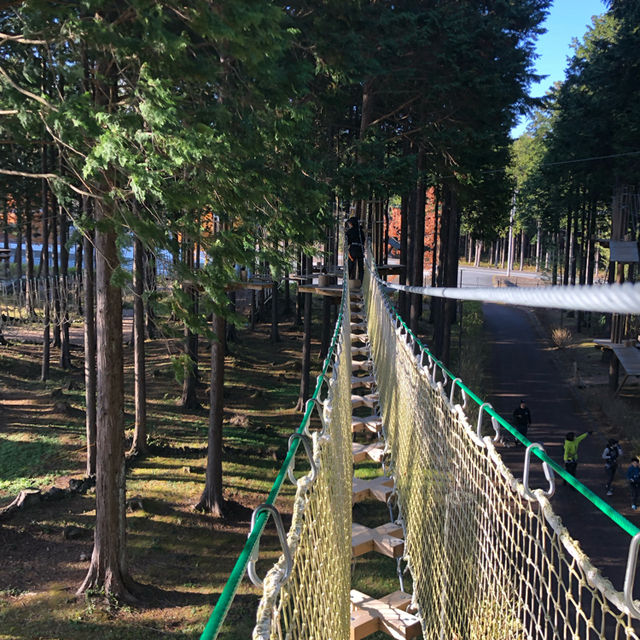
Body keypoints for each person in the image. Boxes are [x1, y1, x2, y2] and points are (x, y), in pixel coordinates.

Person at [346, 217, 365, 283]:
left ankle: (347, 281)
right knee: (361, 268)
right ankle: (361, 282)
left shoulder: (350, 231)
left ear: (351, 224)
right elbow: (363, 240)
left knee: (350, 266)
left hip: (353, 250)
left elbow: (347, 242)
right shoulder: (360, 231)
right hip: (360, 250)